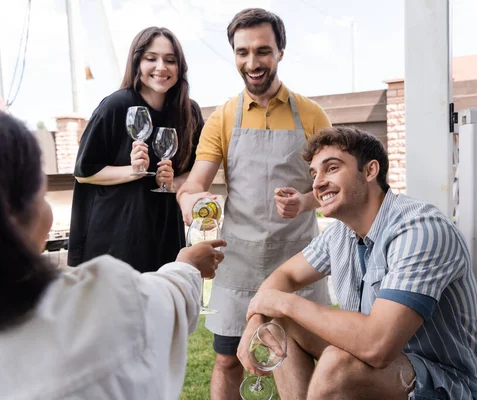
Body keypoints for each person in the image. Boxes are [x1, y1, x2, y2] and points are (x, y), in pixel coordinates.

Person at [239, 126, 477, 399]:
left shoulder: (420, 229)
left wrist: (283, 302)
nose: (317, 183)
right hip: (382, 371)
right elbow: (287, 275)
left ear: (370, 171)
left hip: (447, 386)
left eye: (332, 168)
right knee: (281, 324)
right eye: (314, 174)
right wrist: (257, 320)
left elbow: (376, 346)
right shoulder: (340, 233)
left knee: (338, 363)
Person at [0, 112, 226, 400]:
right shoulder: (101, 307)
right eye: (41, 192)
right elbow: (164, 298)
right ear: (20, 214)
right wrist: (189, 265)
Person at [176, 8, 331, 398]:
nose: (252, 62)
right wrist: (196, 202)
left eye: (262, 51)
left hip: (299, 262)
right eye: (242, 52)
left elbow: (333, 189)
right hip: (239, 262)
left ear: (280, 52)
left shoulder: (312, 115)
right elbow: (191, 186)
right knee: (228, 359)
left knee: (300, 358)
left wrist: (306, 200)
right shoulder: (223, 118)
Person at [68, 26, 204, 272]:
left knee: (163, 304)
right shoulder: (116, 105)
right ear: (137, 62)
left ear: (179, 67)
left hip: (164, 234)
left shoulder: (189, 112)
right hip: (117, 236)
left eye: (170, 60)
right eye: (151, 59)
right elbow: (84, 171)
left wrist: (173, 183)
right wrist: (132, 171)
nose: (161, 67)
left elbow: (194, 174)